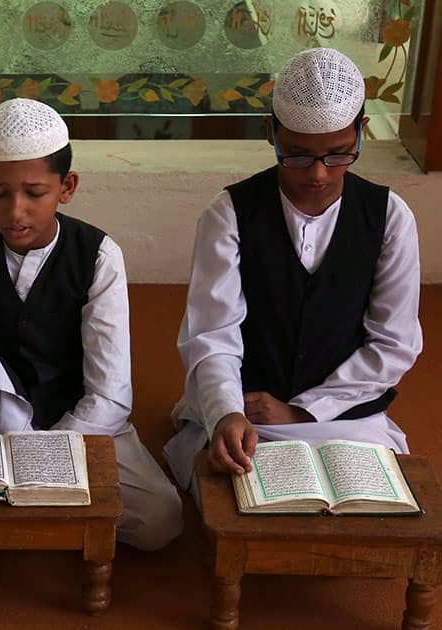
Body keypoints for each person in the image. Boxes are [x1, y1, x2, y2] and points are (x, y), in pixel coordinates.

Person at [0, 98, 183, 551]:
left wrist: (45, 454)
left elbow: (109, 394)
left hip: (78, 422)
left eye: (34, 193)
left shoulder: (99, 256)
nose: (15, 211)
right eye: (0, 193)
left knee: (161, 520)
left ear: (67, 187)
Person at [163, 48, 423, 499]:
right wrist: (226, 413)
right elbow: (212, 333)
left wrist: (304, 411)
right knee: (233, 494)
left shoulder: (390, 217)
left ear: (361, 134)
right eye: (299, 156)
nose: (319, 174)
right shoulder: (229, 214)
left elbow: (393, 344)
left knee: (369, 501)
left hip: (344, 414)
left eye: (339, 154)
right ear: (272, 134)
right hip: (249, 412)